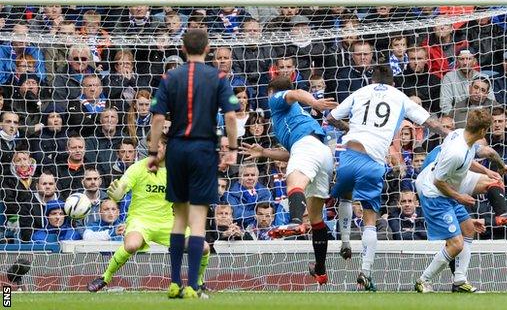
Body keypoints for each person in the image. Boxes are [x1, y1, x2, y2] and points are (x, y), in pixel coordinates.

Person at [325, 65, 450, 291]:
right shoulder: (398, 96)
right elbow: (429, 122)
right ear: (392, 82)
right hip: (373, 162)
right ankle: (365, 271)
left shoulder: (360, 92)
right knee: (370, 219)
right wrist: (450, 136)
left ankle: (344, 242)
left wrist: (349, 128)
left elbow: (331, 117)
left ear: (371, 80)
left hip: (349, 154)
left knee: (345, 198)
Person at [147, 29, 239, 299]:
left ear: (183, 49)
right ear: (208, 48)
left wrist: (153, 152)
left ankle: (174, 283)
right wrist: (232, 149)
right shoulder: (218, 77)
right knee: (198, 220)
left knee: (180, 218)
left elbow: (156, 119)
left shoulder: (169, 77)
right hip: (202, 149)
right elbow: (232, 118)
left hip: (176, 149)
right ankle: (193, 287)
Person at [240, 76, 337, 285]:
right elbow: (293, 153)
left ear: (270, 92)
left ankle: (294, 222)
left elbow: (296, 94)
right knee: (316, 218)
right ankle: (320, 269)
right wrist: (264, 151)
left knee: (293, 183)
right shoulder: (292, 118)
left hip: (308, 147)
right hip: (323, 153)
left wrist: (315, 103)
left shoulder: (276, 100)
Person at [414, 109, 507, 293]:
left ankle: (459, 281)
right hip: (434, 194)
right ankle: (422, 280)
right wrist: (460, 197)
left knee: (469, 229)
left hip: (446, 186)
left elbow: (469, 158)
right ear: (482, 131)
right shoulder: (456, 152)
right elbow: (438, 182)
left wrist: (488, 171)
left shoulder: (461, 136)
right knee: (456, 244)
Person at [86, 134, 211, 294]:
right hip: (141, 220)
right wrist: (117, 194)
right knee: (131, 245)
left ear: (166, 147)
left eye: (157, 146)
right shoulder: (138, 168)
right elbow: (122, 187)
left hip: (167, 222)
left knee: (204, 247)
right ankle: (105, 277)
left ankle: (198, 282)